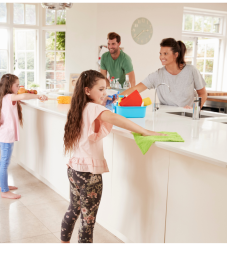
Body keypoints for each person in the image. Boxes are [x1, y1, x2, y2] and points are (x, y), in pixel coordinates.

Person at [60, 70, 164, 243]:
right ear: (87, 90)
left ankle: (63, 244)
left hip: (74, 170)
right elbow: (115, 117)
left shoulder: (80, 106)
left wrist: (103, 103)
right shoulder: (94, 108)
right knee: (88, 222)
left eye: (105, 89)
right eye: (100, 90)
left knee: (73, 210)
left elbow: (100, 117)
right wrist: (145, 131)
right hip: (89, 175)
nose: (105, 93)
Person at [0, 74, 48, 199]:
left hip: (5, 135)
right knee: (4, 162)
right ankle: (4, 191)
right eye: (17, 85)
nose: (19, 87)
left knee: (4, 161)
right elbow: (22, 96)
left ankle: (3, 185)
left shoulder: (6, 97)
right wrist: (39, 95)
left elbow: (21, 97)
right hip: (6, 136)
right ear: (9, 86)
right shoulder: (9, 97)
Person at [119, 38, 207, 109]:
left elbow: (202, 93)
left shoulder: (191, 71)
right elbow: (135, 89)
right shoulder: (157, 75)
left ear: (176, 55)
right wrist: (115, 97)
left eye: (165, 53)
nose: (162, 57)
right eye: (160, 54)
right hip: (165, 116)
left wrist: (195, 109)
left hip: (186, 116)